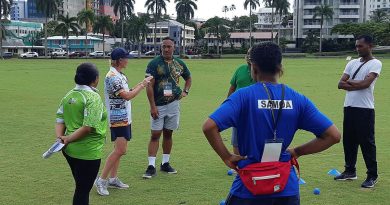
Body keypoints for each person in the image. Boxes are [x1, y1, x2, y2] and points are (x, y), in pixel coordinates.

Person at [202, 42, 340, 205]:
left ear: (253, 67)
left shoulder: (242, 96)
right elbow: (333, 135)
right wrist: (297, 151)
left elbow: (209, 126)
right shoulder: (298, 99)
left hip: (249, 187)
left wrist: (227, 157)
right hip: (285, 188)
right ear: (280, 67)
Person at [95, 48, 153, 196]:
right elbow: (126, 96)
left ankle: (113, 179)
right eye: (126, 58)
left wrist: (140, 84)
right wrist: (143, 84)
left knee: (119, 150)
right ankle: (101, 181)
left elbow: (125, 93)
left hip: (124, 116)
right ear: (120, 60)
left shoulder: (120, 75)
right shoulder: (112, 77)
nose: (128, 60)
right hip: (117, 118)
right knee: (120, 150)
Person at [56, 63, 107, 205]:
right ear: (95, 79)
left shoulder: (69, 95)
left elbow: (60, 119)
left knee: (81, 187)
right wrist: (66, 139)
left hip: (69, 150)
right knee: (82, 191)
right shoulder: (93, 97)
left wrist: (61, 138)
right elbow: (87, 128)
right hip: (88, 151)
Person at [335, 35, 382, 188]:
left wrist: (351, 82)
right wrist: (357, 83)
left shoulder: (376, 63)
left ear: (370, 46)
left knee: (367, 143)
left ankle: (372, 175)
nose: (357, 49)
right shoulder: (353, 63)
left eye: (361, 46)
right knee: (349, 141)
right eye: (356, 46)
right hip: (349, 106)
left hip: (365, 109)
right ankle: (350, 171)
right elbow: (340, 84)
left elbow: (366, 84)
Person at [143, 37, 192, 179]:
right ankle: (151, 166)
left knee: (168, 133)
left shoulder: (179, 63)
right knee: (155, 135)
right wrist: (152, 106)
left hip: (173, 104)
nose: (166, 49)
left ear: (174, 47)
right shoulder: (153, 64)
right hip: (158, 105)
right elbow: (149, 86)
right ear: (161, 47)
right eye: (164, 46)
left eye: (169, 46)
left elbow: (188, 78)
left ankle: (165, 163)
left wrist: (185, 91)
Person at [227, 48, 254, 155]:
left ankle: (252, 163)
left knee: (254, 136)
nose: (249, 56)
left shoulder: (264, 72)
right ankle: (238, 164)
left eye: (251, 54)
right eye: (248, 54)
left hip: (255, 110)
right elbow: (232, 88)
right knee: (236, 139)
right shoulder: (240, 69)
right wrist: (228, 104)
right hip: (238, 110)